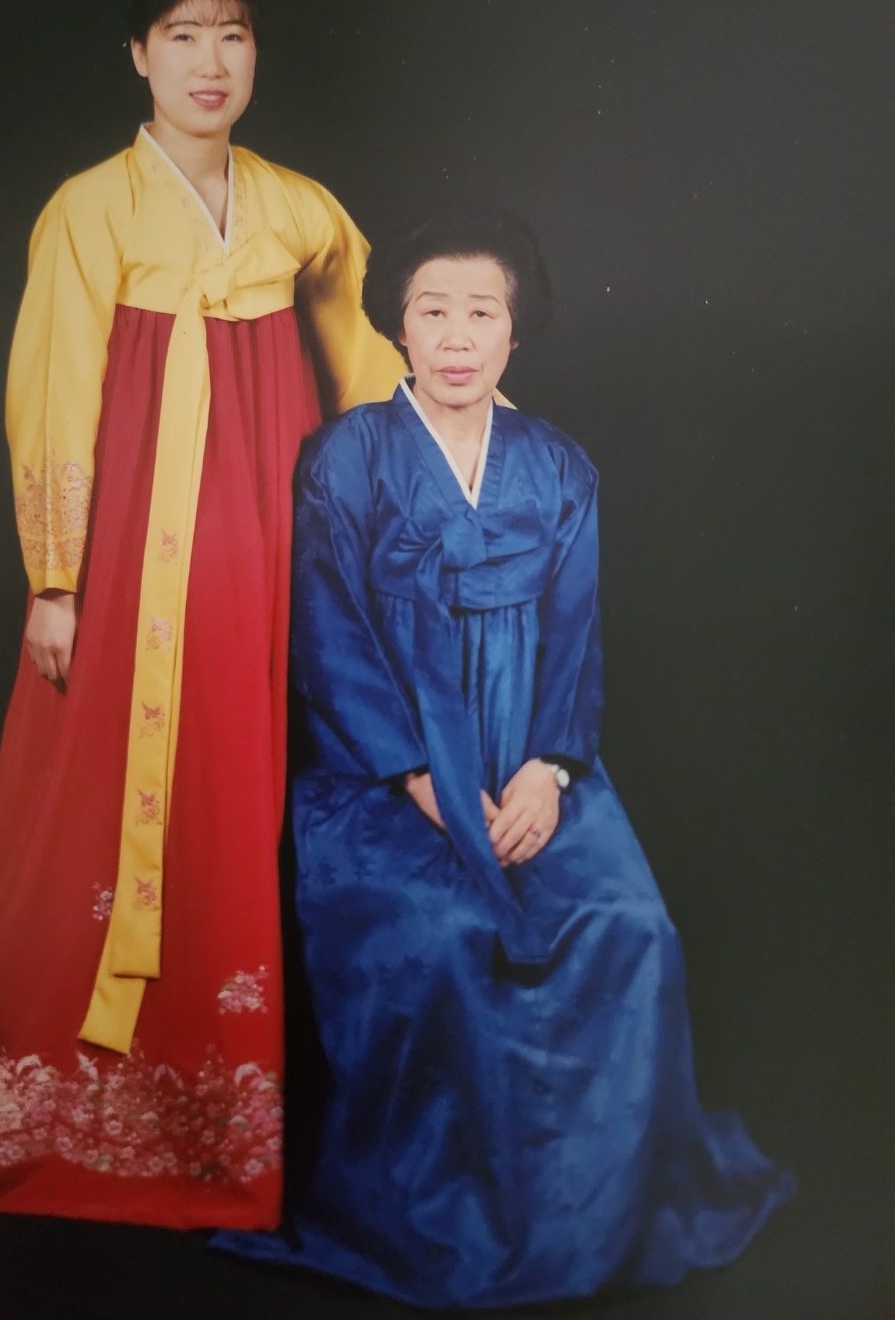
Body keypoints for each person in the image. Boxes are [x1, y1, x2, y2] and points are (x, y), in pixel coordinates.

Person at [0, 0, 403, 1231]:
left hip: (265, 546)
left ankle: (217, 1130)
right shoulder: (88, 209)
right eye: (181, 36)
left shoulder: (299, 210)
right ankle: (50, 1105)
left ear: (255, 54)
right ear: (138, 57)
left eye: (231, 36)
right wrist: (54, 578)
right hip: (126, 551)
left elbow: (367, 360)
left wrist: (444, 453)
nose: (209, 63)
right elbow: (52, 390)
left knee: (236, 788)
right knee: (87, 798)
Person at [213, 206, 795, 1305]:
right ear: (397, 326)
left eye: (481, 314)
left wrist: (549, 769)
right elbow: (329, 639)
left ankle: (585, 1211)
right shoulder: (343, 459)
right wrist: (419, 777)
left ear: (514, 332)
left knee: (629, 928)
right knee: (440, 939)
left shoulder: (559, 466)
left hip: (528, 755)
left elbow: (574, 635)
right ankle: (442, 1216)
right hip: (384, 777)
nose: (456, 336)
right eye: (432, 311)